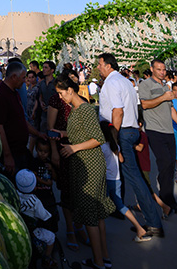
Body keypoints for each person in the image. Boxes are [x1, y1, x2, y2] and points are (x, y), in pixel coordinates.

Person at [96, 52, 164, 236]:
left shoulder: (111, 83)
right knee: (133, 176)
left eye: (100, 64)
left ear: (109, 65)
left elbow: (117, 112)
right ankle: (148, 219)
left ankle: (154, 223)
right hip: (132, 130)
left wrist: (114, 138)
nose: (98, 67)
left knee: (135, 178)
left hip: (122, 132)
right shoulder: (126, 81)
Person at [57, 76, 115, 269]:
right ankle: (104, 257)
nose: (60, 96)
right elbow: (83, 133)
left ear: (70, 90)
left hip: (90, 166)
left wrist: (74, 148)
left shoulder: (85, 109)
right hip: (86, 164)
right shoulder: (78, 109)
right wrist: (64, 134)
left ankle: (98, 262)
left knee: (91, 213)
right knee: (97, 214)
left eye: (61, 92)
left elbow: (97, 138)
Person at [138, 59, 177, 215]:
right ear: (152, 69)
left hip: (169, 130)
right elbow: (144, 104)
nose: (162, 72)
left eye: (164, 70)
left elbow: (171, 110)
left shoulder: (165, 86)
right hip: (154, 130)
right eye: (159, 69)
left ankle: (169, 198)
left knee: (170, 165)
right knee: (164, 163)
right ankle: (166, 200)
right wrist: (163, 97)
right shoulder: (145, 85)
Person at [100, 120, 153, 243]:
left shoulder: (102, 147)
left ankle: (98, 234)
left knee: (100, 205)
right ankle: (139, 227)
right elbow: (122, 160)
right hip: (117, 180)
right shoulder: (115, 146)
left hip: (107, 181)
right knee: (120, 205)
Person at [0, 61, 41, 175]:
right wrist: (7, 155)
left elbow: (21, 120)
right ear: (14, 77)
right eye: (23, 78)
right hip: (11, 154)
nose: (24, 81)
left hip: (20, 151)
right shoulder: (1, 95)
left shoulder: (14, 92)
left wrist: (38, 134)